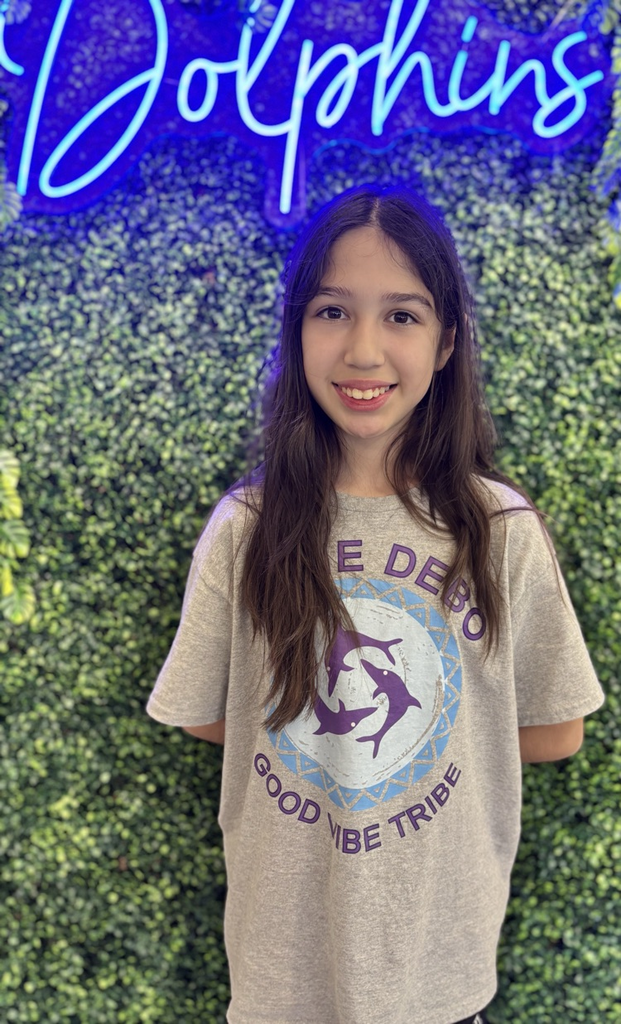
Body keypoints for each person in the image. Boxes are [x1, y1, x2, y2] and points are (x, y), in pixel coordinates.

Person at [146, 184, 605, 1024]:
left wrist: (425, 729)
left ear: (445, 345)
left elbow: (554, 728)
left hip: (440, 981)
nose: (362, 349)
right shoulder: (245, 530)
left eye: (401, 315)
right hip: (281, 984)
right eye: (331, 311)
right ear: (295, 333)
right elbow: (206, 710)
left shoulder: (500, 530)